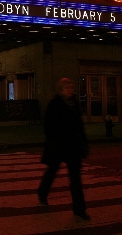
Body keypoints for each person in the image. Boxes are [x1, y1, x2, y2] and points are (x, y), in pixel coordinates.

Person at [38, 78, 90, 221]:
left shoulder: (75, 104)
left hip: (73, 146)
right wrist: (53, 142)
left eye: (72, 87)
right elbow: (48, 126)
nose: (70, 89)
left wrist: (84, 144)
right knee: (52, 171)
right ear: (60, 90)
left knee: (75, 179)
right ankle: (42, 192)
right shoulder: (54, 104)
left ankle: (79, 210)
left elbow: (79, 126)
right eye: (67, 87)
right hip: (58, 145)